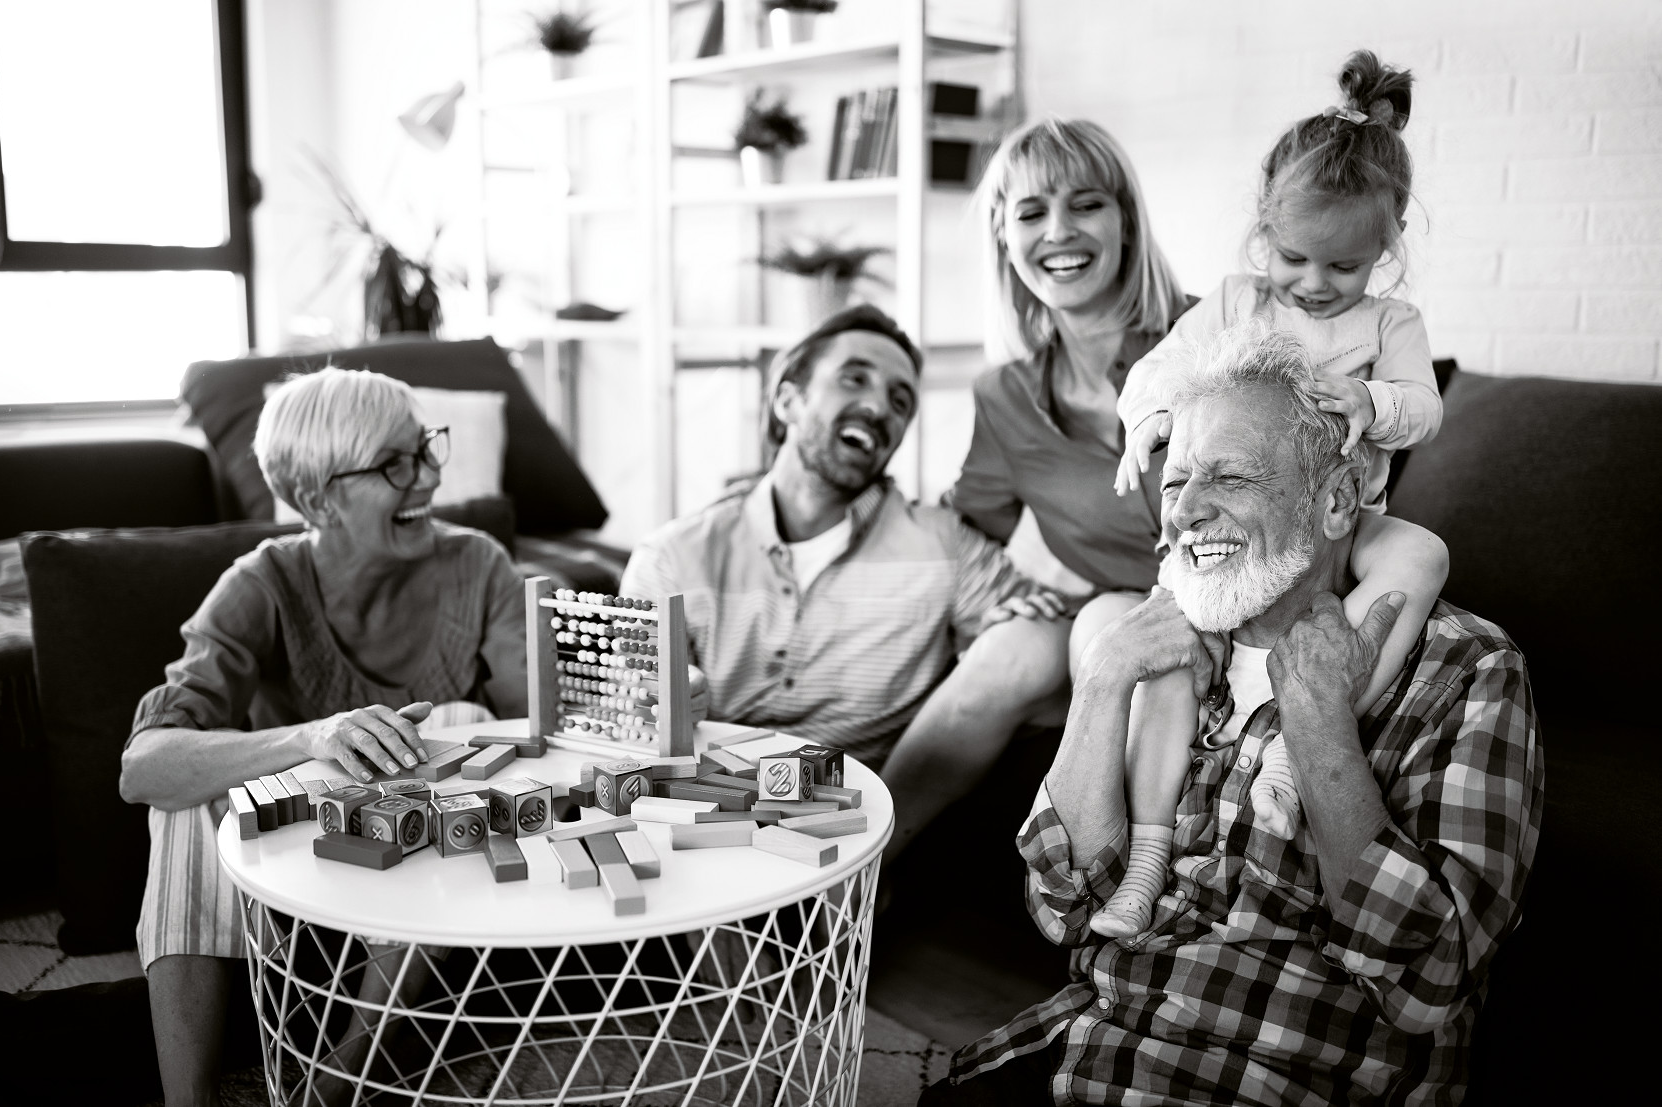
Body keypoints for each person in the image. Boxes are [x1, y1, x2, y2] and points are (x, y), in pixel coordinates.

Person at [922, 319, 1541, 1106]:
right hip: (1091, 1051)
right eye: (1176, 482)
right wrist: (1106, 675)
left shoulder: (1468, 668)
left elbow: (1428, 981)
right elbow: (1062, 907)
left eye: (1231, 478)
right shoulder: (1167, 650)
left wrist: (1317, 720)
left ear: (1337, 500)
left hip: (1274, 1080)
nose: (1185, 512)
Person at [1093, 50, 1449, 936]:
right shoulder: (1235, 302)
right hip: (1243, 537)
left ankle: (1305, 737)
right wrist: (1147, 425)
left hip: (1344, 518)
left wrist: (1371, 400)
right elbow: (1157, 371)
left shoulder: (1388, 323)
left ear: (1387, 242)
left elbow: (1424, 412)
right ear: (1262, 234)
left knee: (1423, 553)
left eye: (1344, 266)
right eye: (1294, 258)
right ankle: (1143, 861)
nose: (1315, 285)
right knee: (1171, 656)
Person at [119, 368, 529, 1107]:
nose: (429, 478)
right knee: (179, 807)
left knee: (463, 722)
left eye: (426, 450)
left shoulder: (479, 563)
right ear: (316, 499)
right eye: (393, 465)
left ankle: (336, 1081)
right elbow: (143, 766)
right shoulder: (264, 581)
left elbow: (536, 721)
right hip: (292, 861)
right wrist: (314, 737)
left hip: (427, 866)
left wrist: (642, 692)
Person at [878, 117, 1191, 867]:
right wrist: (990, 600)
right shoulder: (1005, 396)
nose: (1058, 231)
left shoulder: (1211, 337)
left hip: (1223, 602)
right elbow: (964, 525)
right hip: (1112, 607)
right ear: (1003, 238)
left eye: (1085, 204)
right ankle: (853, 885)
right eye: (1029, 212)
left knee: (1106, 631)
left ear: (1124, 220)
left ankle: (1110, 898)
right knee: (1007, 651)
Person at [620, 304, 1029, 771]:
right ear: (787, 401)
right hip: (701, 817)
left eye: (900, 402)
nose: (878, 408)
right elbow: (630, 691)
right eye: (853, 379)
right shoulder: (671, 556)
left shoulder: (947, 547)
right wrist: (666, 692)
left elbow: (1035, 649)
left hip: (866, 825)